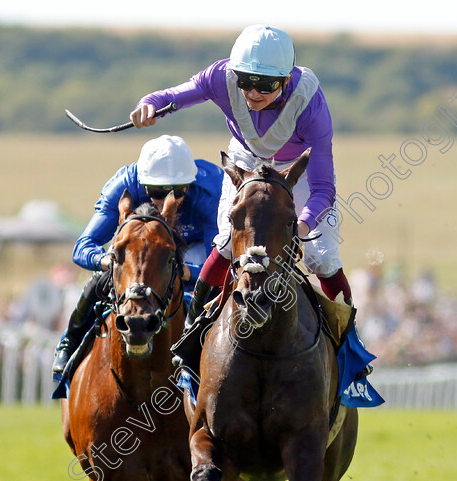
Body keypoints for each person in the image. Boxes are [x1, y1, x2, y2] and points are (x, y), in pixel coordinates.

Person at [130, 25, 353, 354]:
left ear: (287, 80)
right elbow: (172, 97)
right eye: (245, 80)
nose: (252, 92)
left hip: (297, 170)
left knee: (322, 257)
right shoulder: (220, 77)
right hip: (245, 160)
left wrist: (300, 228)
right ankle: (190, 340)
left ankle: (350, 347)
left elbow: (323, 189)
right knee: (226, 244)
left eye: (265, 85)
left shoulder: (311, 105)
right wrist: (149, 105)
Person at [51, 135, 222, 376]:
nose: (168, 201)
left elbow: (221, 257)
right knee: (102, 277)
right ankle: (70, 341)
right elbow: (82, 247)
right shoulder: (123, 184)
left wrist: (185, 272)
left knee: (216, 288)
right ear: (142, 185)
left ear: (190, 184)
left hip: (197, 248)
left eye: (179, 191)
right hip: (141, 250)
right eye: (157, 192)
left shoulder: (211, 189)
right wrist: (109, 262)